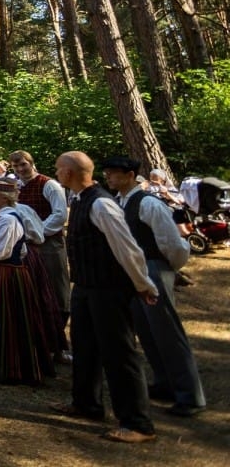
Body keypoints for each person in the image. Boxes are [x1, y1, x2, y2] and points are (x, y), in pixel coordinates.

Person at [51, 151, 158, 444]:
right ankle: (86, 404)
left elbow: (128, 248)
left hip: (110, 289)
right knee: (84, 346)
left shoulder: (101, 204)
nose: (57, 173)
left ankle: (138, 423)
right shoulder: (80, 200)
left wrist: (143, 284)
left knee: (119, 353)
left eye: (59, 169)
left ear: (70, 173)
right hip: (86, 286)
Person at [102, 156, 205, 417]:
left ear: (130, 175)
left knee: (167, 331)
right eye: (107, 173)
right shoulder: (120, 202)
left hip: (153, 267)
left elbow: (172, 242)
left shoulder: (148, 203)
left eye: (114, 173)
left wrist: (163, 270)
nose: (109, 177)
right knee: (147, 330)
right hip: (133, 270)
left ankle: (190, 395)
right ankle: (165, 383)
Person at [0, 177, 53, 385]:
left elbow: (0, 251)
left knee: (0, 317)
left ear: (3, 196)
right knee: (13, 317)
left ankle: (3, 366)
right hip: (12, 271)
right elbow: (22, 248)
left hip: (6, 274)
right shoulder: (7, 216)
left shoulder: (8, 219)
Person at [9, 150, 71, 343]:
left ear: (31, 163)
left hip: (50, 244)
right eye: (16, 166)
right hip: (26, 247)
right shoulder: (16, 187)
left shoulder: (49, 185)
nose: (20, 169)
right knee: (34, 291)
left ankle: (58, 340)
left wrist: (37, 232)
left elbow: (60, 215)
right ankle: (39, 339)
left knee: (56, 290)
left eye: (23, 165)